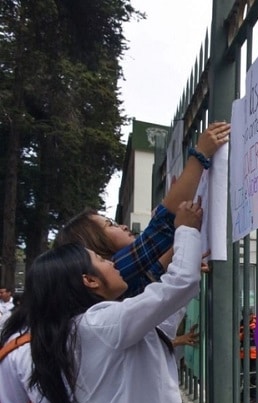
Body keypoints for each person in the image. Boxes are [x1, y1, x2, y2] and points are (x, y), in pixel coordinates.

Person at [27, 200, 203, 403]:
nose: (116, 266)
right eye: (103, 261)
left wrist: (185, 256)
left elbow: (161, 323)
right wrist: (186, 232)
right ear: (89, 281)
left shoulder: (93, 327)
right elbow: (178, 287)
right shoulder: (98, 324)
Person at [54, 122, 230, 297]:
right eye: (110, 225)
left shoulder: (119, 282)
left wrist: (183, 255)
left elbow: (152, 275)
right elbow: (164, 226)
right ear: (93, 245)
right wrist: (199, 154)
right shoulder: (117, 267)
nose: (123, 226)